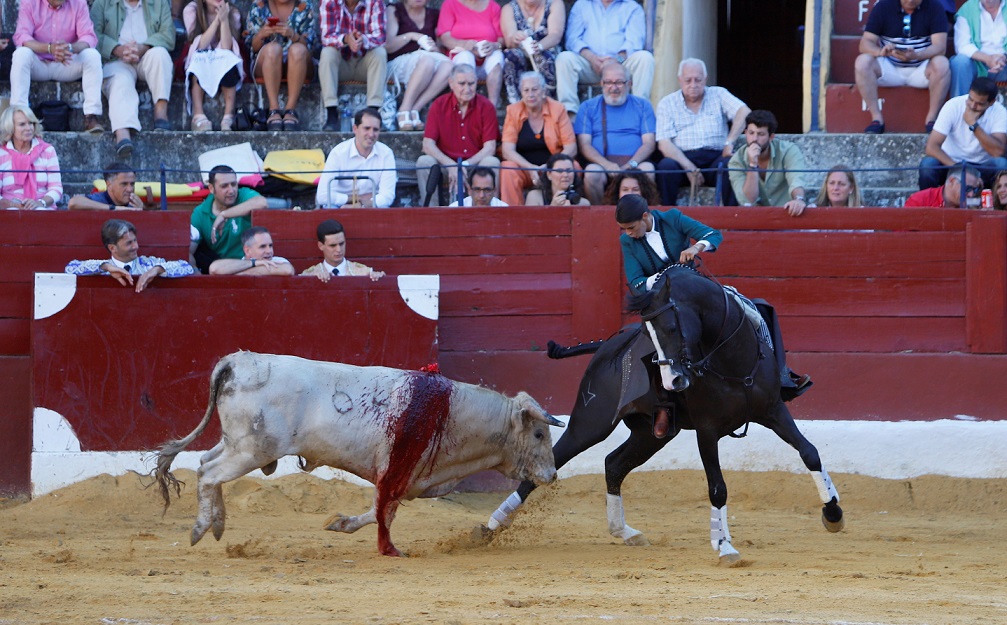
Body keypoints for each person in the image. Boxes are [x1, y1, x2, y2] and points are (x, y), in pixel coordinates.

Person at [615, 194, 810, 419]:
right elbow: (637, 284)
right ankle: (663, 408)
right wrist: (671, 274)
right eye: (624, 229)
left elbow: (712, 234)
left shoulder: (673, 218)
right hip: (661, 304)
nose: (628, 233)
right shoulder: (626, 242)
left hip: (695, 292)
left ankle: (780, 373)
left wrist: (696, 248)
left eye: (631, 227)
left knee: (754, 311)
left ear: (645, 216)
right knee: (655, 347)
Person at [655, 58, 748, 206]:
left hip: (714, 158)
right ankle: (667, 219)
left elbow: (743, 112)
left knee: (731, 164)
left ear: (705, 79)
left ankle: (732, 221)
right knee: (665, 167)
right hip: (682, 159)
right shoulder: (667, 103)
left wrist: (729, 142)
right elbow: (664, 143)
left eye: (698, 80)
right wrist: (689, 167)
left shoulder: (718, 94)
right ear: (680, 80)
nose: (693, 85)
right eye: (688, 80)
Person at [91, 0, 175, 158]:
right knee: (120, 80)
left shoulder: (159, 3)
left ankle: (161, 113)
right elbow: (93, 34)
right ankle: (122, 134)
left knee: (161, 55)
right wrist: (117, 49)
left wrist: (144, 47)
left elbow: (168, 35)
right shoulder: (102, 3)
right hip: (115, 59)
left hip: (146, 54)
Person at [854, 0, 950, 134]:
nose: (910, 0)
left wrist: (917, 55)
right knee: (862, 61)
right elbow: (865, 43)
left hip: (921, 68)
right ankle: (877, 119)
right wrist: (880, 52)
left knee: (942, 63)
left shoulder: (934, 6)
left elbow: (940, 47)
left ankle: (932, 119)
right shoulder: (883, 6)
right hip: (889, 67)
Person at [10, 0, 104, 135]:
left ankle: (91, 117)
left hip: (66, 62)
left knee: (92, 56)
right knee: (20, 54)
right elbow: (22, 37)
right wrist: (49, 48)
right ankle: (20, 117)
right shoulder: (30, 2)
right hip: (38, 63)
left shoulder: (78, 3)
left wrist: (70, 48)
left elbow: (88, 37)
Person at [416, 63, 501, 206]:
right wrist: (451, 165)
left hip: (474, 164)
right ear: (451, 83)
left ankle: (490, 214)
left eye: (471, 84)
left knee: (492, 162)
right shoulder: (439, 105)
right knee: (424, 162)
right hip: (446, 164)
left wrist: (463, 165)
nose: (467, 89)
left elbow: (490, 148)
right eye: (462, 84)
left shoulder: (486, 106)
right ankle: (432, 215)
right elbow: (427, 144)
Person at [575, 61, 656, 206]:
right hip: (602, 164)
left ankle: (641, 214)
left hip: (635, 163)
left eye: (619, 82)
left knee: (648, 169)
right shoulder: (588, 107)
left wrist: (631, 165)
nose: (613, 87)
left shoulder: (643, 106)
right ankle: (601, 215)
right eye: (608, 82)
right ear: (601, 84)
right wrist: (606, 165)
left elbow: (649, 143)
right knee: (591, 172)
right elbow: (584, 145)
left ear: (629, 84)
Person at [556, 0, 654, 117]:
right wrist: (592, 58)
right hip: (589, 64)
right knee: (564, 58)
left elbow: (634, 42)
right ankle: (570, 114)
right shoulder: (582, 5)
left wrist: (615, 61)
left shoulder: (632, 7)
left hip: (621, 64)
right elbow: (573, 39)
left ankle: (639, 113)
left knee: (645, 58)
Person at [499, 71, 577, 206]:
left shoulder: (558, 109)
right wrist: (530, 168)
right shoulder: (513, 110)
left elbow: (571, 147)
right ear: (521, 93)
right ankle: (512, 217)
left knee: (574, 166)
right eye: (526, 90)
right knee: (507, 168)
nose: (530, 94)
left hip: (553, 169)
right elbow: (507, 150)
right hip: (524, 169)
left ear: (543, 91)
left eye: (534, 89)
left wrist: (550, 167)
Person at [918, 76, 1007, 190]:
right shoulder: (953, 105)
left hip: (982, 165)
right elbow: (931, 147)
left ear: (991, 102)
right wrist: (958, 169)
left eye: (979, 103)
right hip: (951, 163)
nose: (972, 106)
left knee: (1001, 164)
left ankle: (992, 204)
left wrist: (973, 125)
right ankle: (928, 205)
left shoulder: (999, 112)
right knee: (928, 165)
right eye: (970, 99)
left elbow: (998, 152)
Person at [65, 219, 194, 292]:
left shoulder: (149, 264)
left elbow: (186, 266)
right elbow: (70, 268)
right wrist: (106, 267)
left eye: (135, 241)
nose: (136, 246)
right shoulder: (102, 268)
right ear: (112, 248)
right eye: (129, 243)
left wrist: (156, 270)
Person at [246, 0, 318, 131]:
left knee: (298, 49)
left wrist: (293, 35)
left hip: (299, 63)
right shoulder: (259, 6)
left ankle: (290, 110)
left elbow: (311, 47)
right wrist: (262, 34)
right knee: (273, 49)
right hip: (266, 63)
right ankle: (274, 109)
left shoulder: (304, 6)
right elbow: (251, 47)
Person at [319, 0, 388, 131]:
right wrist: (345, 39)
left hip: (364, 63)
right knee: (327, 53)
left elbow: (380, 37)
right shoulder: (328, 2)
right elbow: (326, 37)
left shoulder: (375, 2)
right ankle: (331, 113)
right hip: (341, 64)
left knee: (380, 53)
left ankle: (374, 112)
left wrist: (362, 40)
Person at [728, 110, 810, 217]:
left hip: (787, 215)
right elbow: (748, 200)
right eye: (751, 133)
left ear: (771, 137)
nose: (754, 139)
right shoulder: (736, 161)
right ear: (745, 133)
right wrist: (752, 164)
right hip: (755, 219)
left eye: (760, 134)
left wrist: (798, 199)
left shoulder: (788, 151)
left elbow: (796, 180)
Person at [385, 0, 451, 131]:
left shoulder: (433, 14)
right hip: (397, 62)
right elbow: (388, 46)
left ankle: (416, 108)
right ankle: (404, 109)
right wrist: (411, 36)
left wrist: (434, 48)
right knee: (427, 60)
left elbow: (440, 48)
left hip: (425, 60)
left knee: (449, 66)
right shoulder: (394, 10)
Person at [190, 164, 268, 270]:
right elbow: (188, 252)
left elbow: (262, 202)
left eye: (233, 184)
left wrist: (224, 215)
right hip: (221, 270)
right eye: (224, 186)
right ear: (211, 188)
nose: (231, 190)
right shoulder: (200, 213)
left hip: (251, 266)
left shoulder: (243, 194)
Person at [317, 107, 397, 208]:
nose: (371, 134)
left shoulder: (386, 153)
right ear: (355, 129)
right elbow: (323, 195)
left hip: (370, 206)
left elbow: (388, 196)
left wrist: (362, 205)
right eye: (366, 128)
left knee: (383, 208)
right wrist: (356, 199)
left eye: (375, 130)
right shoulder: (338, 153)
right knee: (330, 208)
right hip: (340, 206)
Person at [183, 0, 244, 131]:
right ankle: (198, 114)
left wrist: (224, 20)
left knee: (228, 59)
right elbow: (199, 45)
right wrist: (216, 21)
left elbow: (227, 47)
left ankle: (228, 115)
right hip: (203, 55)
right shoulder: (191, 11)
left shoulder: (233, 13)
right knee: (198, 59)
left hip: (223, 56)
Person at [437, 0, 504, 107]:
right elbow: (445, 37)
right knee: (466, 56)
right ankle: (466, 106)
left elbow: (501, 38)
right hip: (460, 60)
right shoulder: (450, 4)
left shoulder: (493, 6)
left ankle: (492, 107)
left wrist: (494, 46)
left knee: (496, 56)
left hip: (486, 62)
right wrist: (465, 45)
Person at [500, 0, 565, 104]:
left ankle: (547, 104)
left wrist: (539, 46)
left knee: (544, 57)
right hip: (521, 51)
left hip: (546, 49)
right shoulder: (509, 8)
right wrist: (515, 38)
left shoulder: (554, 3)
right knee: (511, 56)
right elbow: (509, 41)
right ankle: (516, 106)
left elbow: (555, 35)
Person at [0, 105, 62, 210]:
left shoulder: (48, 150)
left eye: (31, 123)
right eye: (22, 124)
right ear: (10, 128)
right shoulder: (1, 154)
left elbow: (56, 188)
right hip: (10, 209)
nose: (28, 128)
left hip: (42, 208)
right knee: (13, 213)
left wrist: (40, 203)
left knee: (39, 211)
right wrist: (15, 205)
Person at [951, 0, 1007, 98]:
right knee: (960, 62)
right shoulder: (967, 9)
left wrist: (1002, 58)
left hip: (1004, 63)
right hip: (977, 62)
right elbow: (962, 45)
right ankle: (959, 107)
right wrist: (988, 59)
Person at [302, 218, 386, 281]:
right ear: (321, 246)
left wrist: (380, 279)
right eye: (332, 245)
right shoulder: (309, 276)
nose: (339, 249)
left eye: (341, 244)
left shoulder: (364, 273)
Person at [209, 226, 295, 275]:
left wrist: (242, 274)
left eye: (270, 245)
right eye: (262, 246)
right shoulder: (237, 264)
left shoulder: (277, 261)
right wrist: (254, 263)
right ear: (247, 251)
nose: (269, 251)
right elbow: (214, 269)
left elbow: (288, 270)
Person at [68, 162, 145, 210]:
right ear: (109, 184)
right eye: (124, 184)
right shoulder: (99, 199)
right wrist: (113, 209)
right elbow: (74, 203)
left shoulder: (135, 205)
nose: (129, 189)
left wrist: (143, 211)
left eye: (132, 184)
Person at [524, 153, 589, 206]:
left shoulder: (583, 203)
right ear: (549, 174)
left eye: (569, 171)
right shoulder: (535, 197)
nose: (565, 175)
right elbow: (530, 221)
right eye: (559, 171)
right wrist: (553, 208)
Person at [905, 165, 983, 206]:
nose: (971, 194)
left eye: (974, 190)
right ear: (952, 181)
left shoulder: (975, 205)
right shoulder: (920, 200)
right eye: (968, 188)